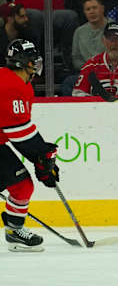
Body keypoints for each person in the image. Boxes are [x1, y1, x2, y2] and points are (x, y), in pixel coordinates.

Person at [0, 39, 60, 252]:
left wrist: (42, 154)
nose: (36, 64)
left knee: (22, 185)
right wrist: (42, 155)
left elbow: (21, 130)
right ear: (21, 63)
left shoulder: (20, 85)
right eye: (32, 61)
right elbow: (19, 134)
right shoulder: (10, 86)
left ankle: (15, 232)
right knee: (22, 185)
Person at [7, 0, 79, 71]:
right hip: (29, 12)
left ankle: (67, 62)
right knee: (34, 15)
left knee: (70, 16)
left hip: (54, 12)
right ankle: (36, 64)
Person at [72, 22, 118, 97]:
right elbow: (77, 93)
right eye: (110, 39)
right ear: (103, 41)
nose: (114, 43)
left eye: (117, 39)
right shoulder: (91, 65)